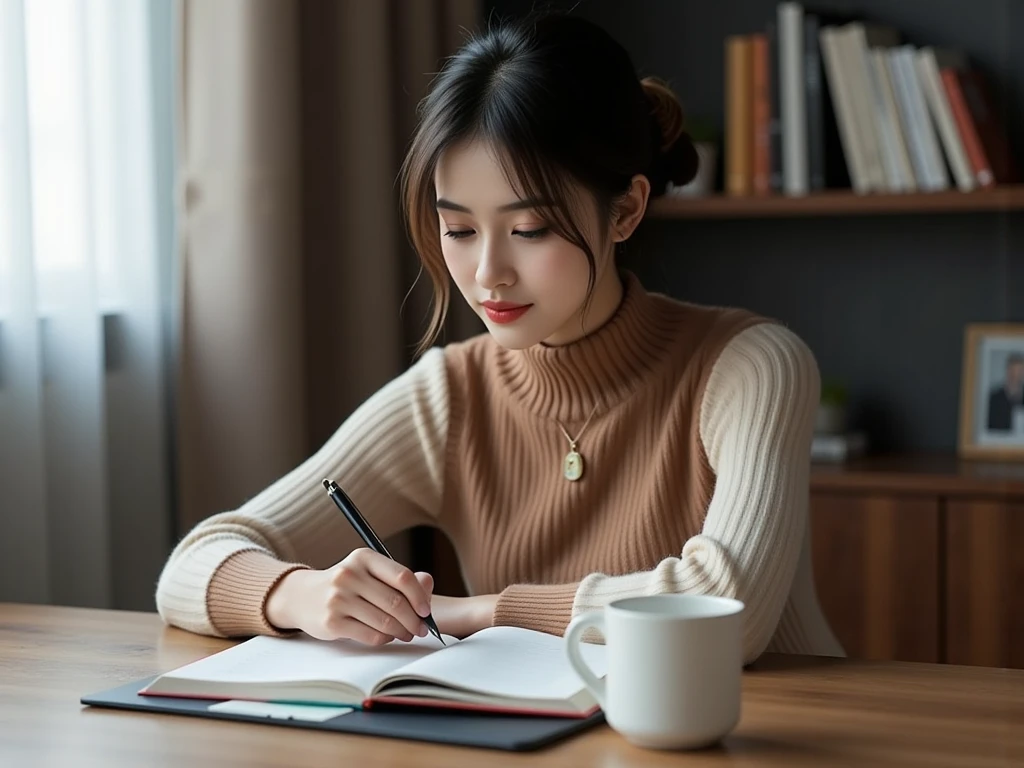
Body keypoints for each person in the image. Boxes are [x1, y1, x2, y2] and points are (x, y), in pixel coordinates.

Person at [156, 13, 844, 664]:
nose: (488, 274)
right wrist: (302, 594)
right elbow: (192, 566)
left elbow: (730, 606)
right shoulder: (449, 396)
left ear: (626, 210)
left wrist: (482, 613)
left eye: (529, 230)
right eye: (458, 229)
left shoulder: (750, 366)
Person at [987, 353, 1024, 431]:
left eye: (1019, 371)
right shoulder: (994, 398)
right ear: (1007, 371)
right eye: (1013, 371)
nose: (1016, 375)